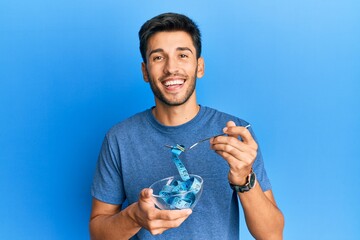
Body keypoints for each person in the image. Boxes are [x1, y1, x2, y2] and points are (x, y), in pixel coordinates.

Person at [89, 12, 284, 240]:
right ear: (145, 71)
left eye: (182, 55)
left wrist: (244, 178)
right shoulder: (119, 139)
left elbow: (271, 234)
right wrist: (133, 217)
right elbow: (98, 233)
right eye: (158, 58)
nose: (171, 68)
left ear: (199, 67)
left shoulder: (235, 134)